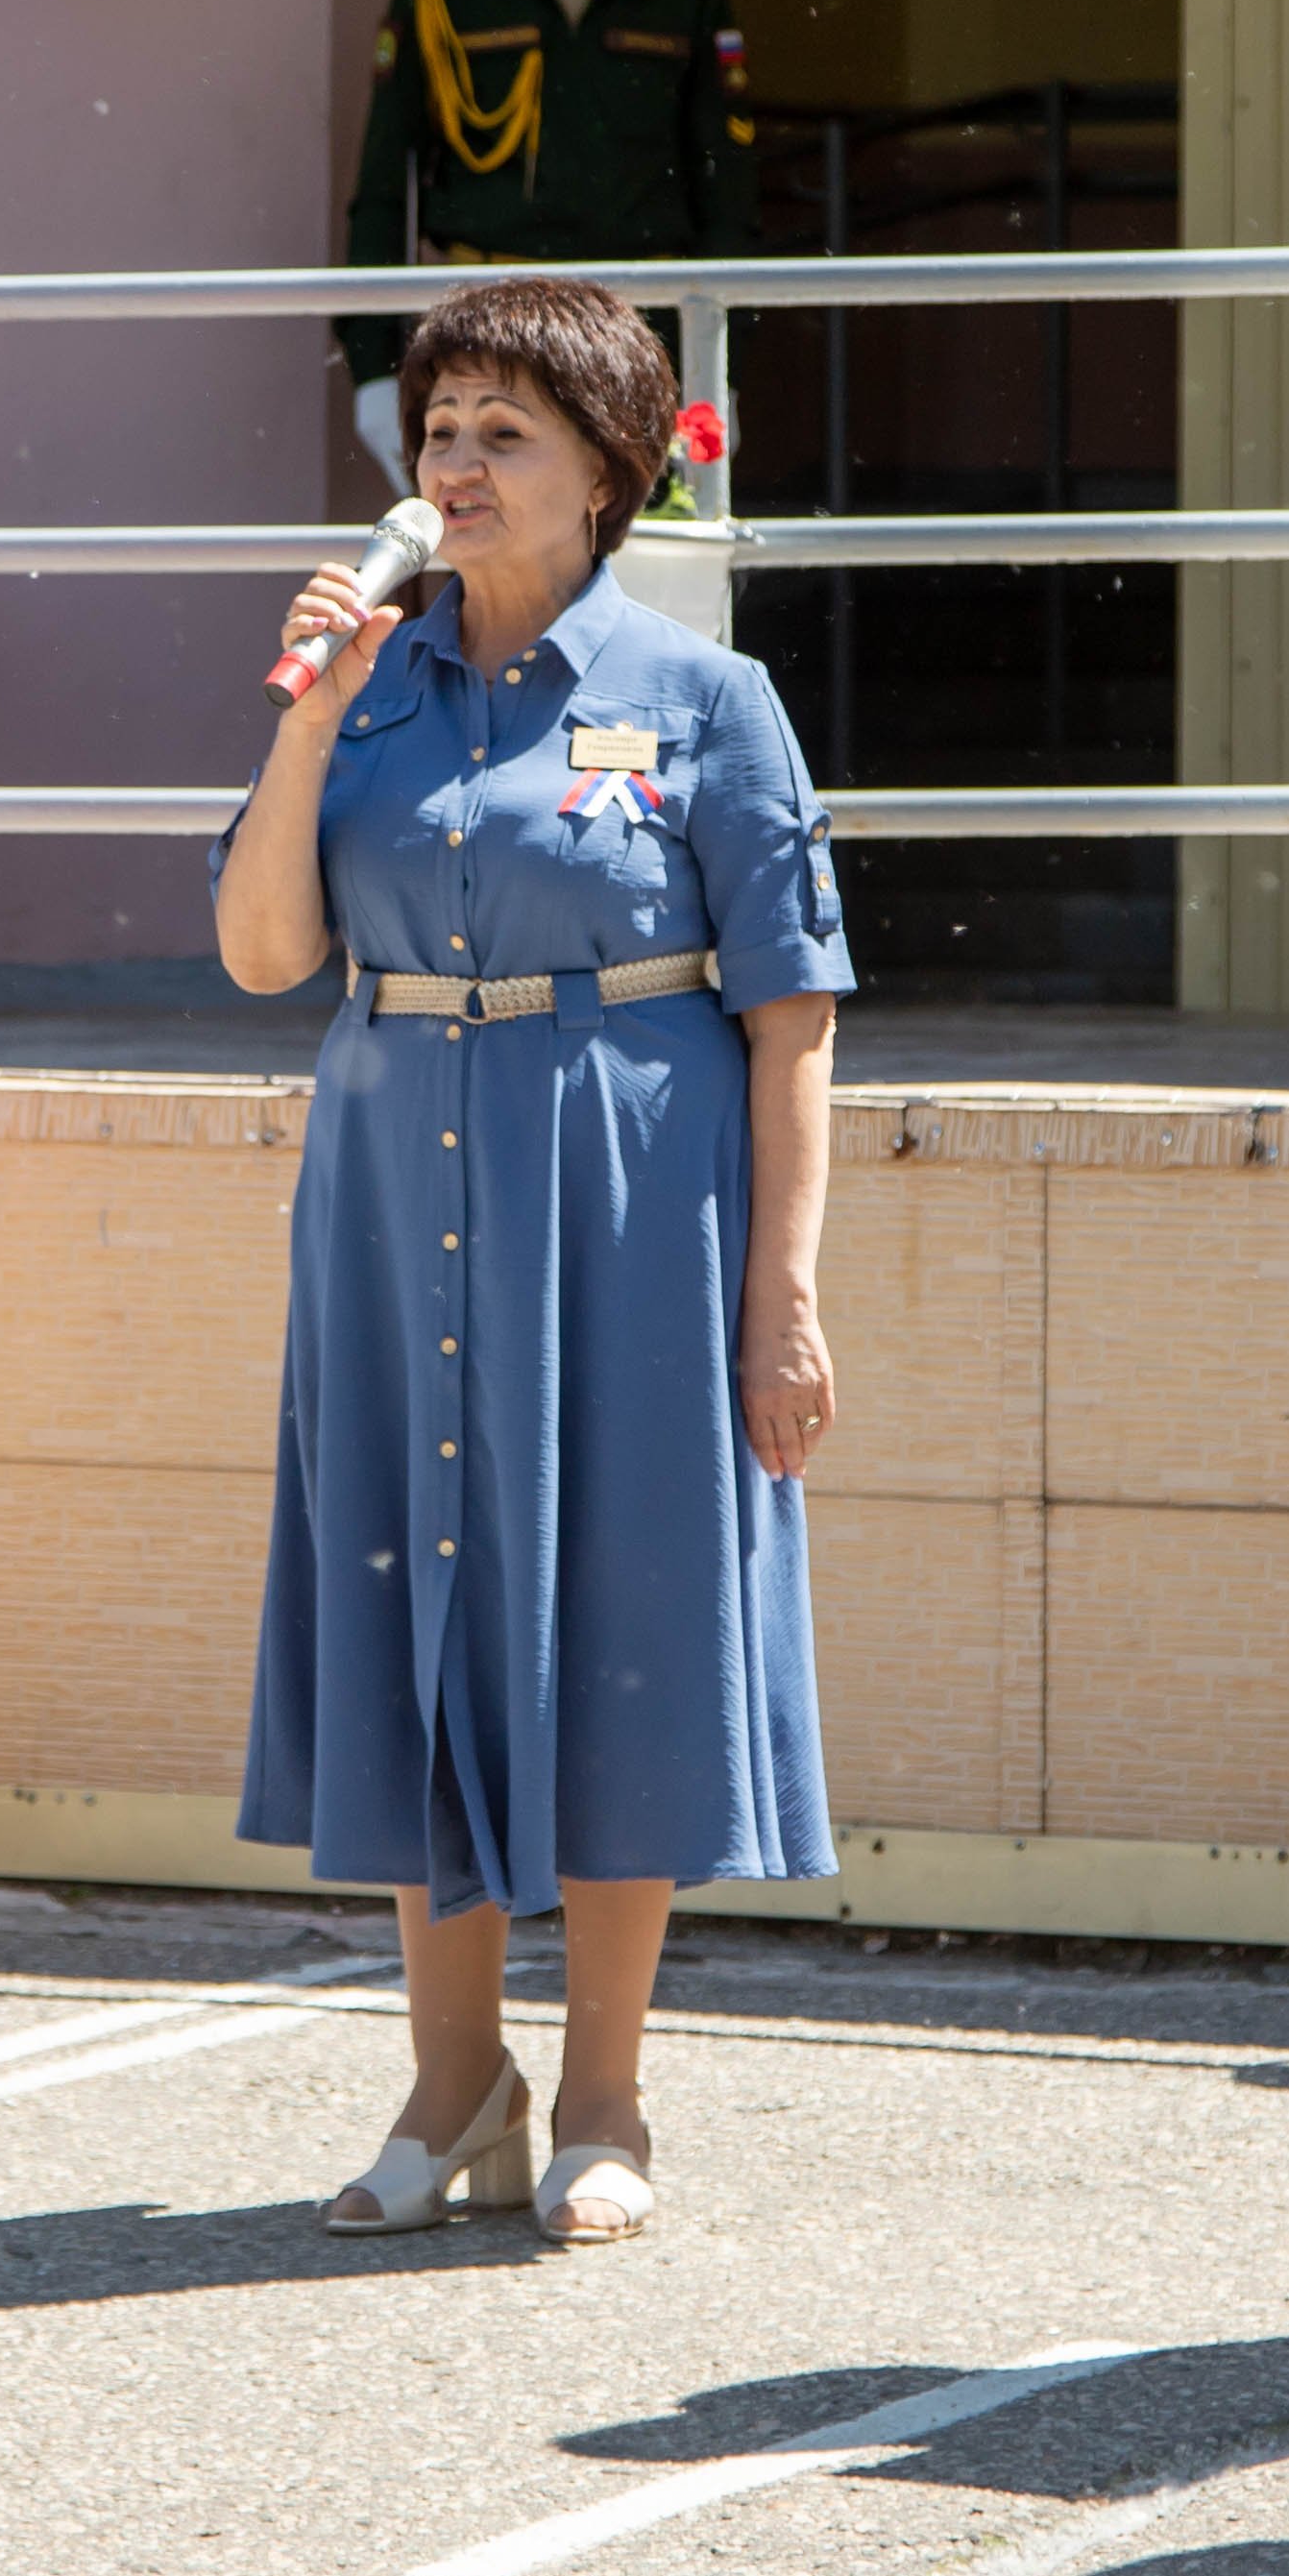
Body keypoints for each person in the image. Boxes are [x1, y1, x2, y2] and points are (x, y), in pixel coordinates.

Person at [219, 270, 850, 2242]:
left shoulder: (703, 698)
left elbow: (793, 1009)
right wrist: (314, 713)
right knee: (419, 1608)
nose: (458, 462)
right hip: (399, 1192)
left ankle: (604, 2097)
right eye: (441, 428)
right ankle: (448, 2080)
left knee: (623, 1612)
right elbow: (260, 951)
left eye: (505, 429)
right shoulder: (377, 688)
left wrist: (787, 1294)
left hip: (636, 1216)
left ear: (607, 469)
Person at [333, 0, 759, 480]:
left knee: (642, 560)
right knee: (492, 568)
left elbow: (728, 194)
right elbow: (382, 191)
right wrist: (374, 365)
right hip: (485, 328)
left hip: (639, 329)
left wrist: (720, 361)